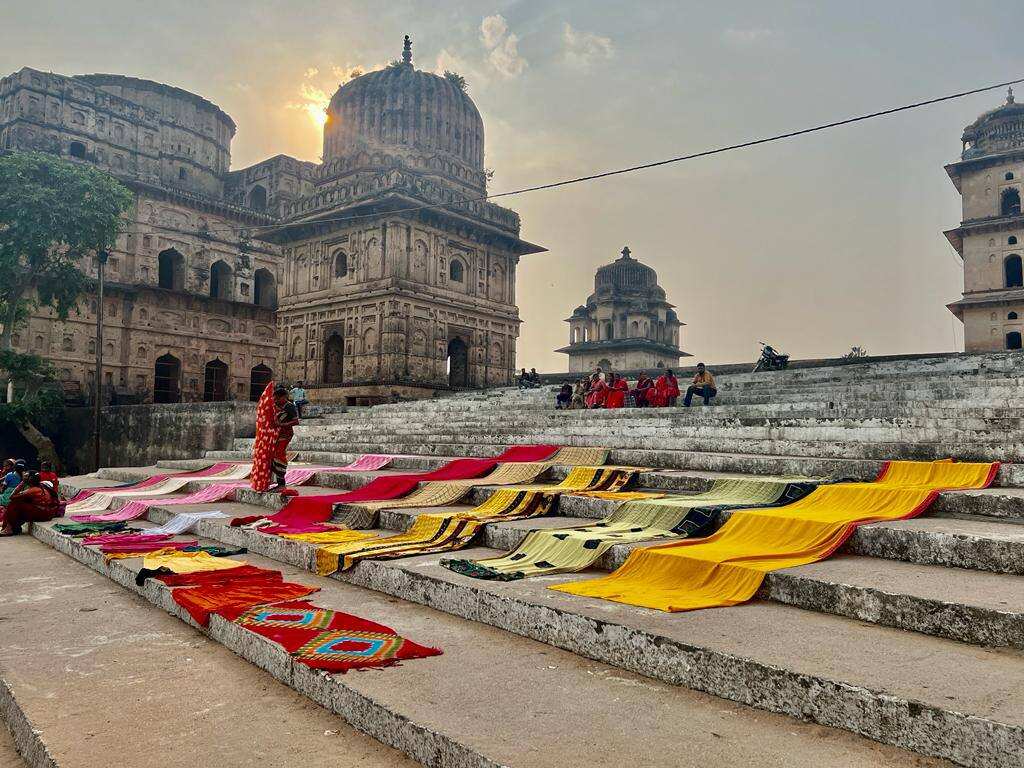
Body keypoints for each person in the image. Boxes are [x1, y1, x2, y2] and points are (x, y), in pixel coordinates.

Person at [0, 471, 60, 536]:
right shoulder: (41, 486)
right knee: (20, 502)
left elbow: (11, 497)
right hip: (48, 513)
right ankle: (12, 527)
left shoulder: (33, 490)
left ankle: (9, 529)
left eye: (26, 477)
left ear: (30, 479)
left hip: (43, 514)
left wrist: (22, 482)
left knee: (14, 504)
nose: (24, 477)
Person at [271, 386, 300, 491]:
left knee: (279, 455)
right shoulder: (277, 405)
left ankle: (282, 484)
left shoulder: (290, 406)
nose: (276, 400)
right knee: (273, 456)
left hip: (285, 434)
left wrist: (282, 424)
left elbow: (296, 421)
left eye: (278, 398)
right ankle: (277, 482)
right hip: (277, 435)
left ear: (284, 397)